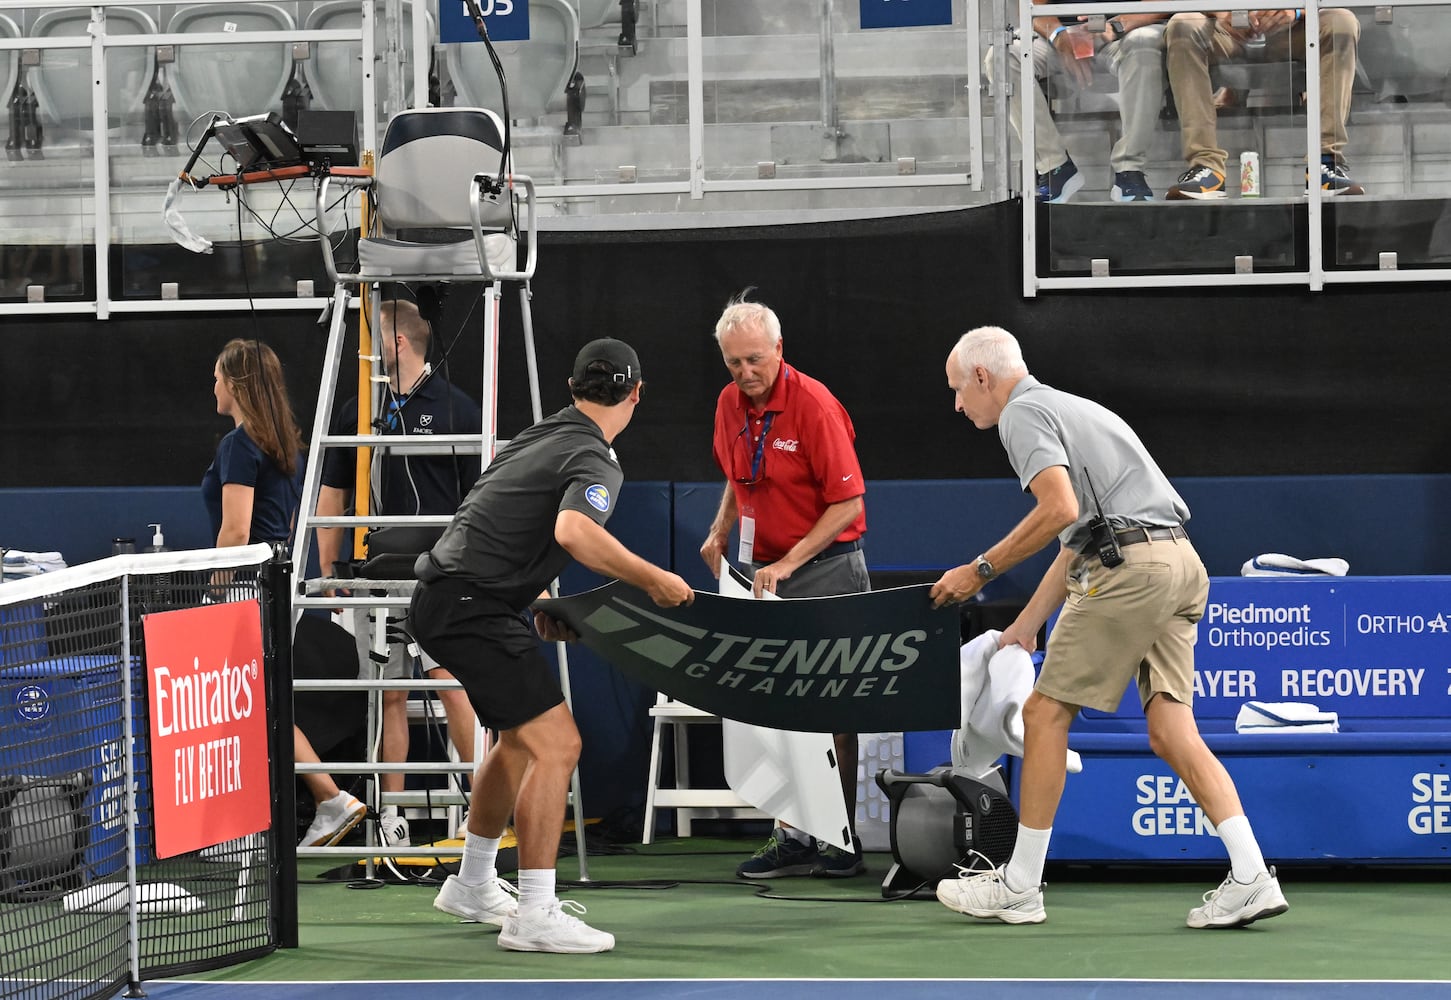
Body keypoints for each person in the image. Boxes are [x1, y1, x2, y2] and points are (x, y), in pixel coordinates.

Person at [928, 326, 1287, 929]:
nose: (958, 405)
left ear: (984, 378)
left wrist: (978, 570)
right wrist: (1025, 624)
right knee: (1172, 732)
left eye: (959, 390)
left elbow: (1059, 510)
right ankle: (1252, 875)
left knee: (1043, 716)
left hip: (1131, 571)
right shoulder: (1079, 408)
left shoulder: (1023, 414)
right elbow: (1078, 536)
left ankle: (1019, 885)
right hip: (1179, 564)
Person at [409, 337, 693, 954]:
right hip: (469, 608)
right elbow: (573, 529)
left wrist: (529, 602)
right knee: (559, 743)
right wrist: (654, 581)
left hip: (449, 600)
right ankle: (535, 911)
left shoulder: (536, 436)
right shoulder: (596, 458)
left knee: (518, 741)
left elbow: (487, 524)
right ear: (636, 394)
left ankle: (473, 883)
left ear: (572, 389)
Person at [699, 294, 871, 880]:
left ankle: (839, 841)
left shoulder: (814, 405)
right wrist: (721, 527)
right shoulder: (729, 404)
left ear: (778, 349)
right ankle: (792, 835)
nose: (745, 374)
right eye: (733, 364)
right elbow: (736, 474)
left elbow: (848, 499)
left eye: (754, 360)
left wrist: (792, 562)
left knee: (833, 711)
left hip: (825, 570)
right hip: (761, 572)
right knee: (775, 714)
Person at [316, 296, 482, 847]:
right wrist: (330, 570)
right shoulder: (358, 408)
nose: (367, 349)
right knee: (387, 691)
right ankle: (391, 820)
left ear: (399, 343)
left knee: (449, 682)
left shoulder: (458, 408)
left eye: (374, 338)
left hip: (438, 577)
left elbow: (481, 500)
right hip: (377, 577)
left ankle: (481, 813)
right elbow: (333, 492)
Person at [202, 338, 366, 849]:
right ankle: (318, 801)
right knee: (260, 704)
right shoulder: (283, 445)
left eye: (217, 378)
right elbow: (284, 525)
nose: (213, 387)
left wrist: (212, 595)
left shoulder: (237, 446)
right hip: (279, 583)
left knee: (249, 706)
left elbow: (235, 531)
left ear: (236, 384)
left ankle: (322, 800)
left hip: (250, 589)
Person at [1165, 10, 1363, 199]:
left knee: (1342, 21)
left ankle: (1325, 162)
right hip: (1226, 30)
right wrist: (1218, 10)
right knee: (1183, 24)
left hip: (1289, 31)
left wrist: (1297, 9)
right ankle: (1206, 166)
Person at [983, 2, 1169, 203]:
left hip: (1129, 29)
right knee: (1001, 57)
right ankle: (1055, 167)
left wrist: (1117, 26)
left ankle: (1130, 169)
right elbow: (1030, 4)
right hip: (1061, 34)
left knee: (1144, 42)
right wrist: (1059, 36)